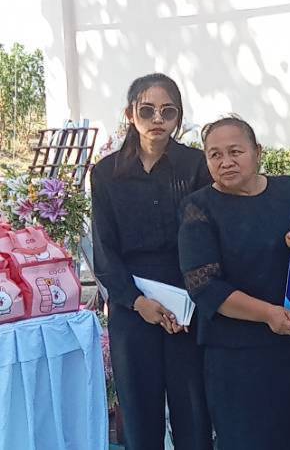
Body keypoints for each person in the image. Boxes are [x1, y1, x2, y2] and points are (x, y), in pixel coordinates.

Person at [177, 116, 290, 450]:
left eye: (235, 151)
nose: (225, 162)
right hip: (234, 355)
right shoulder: (198, 207)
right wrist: (268, 314)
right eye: (215, 155)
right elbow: (204, 286)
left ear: (257, 152)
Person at [90, 73, 213, 450]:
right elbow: (103, 248)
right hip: (131, 302)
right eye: (147, 110)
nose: (157, 119)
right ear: (130, 114)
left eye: (168, 111)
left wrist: (191, 300)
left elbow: (206, 235)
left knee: (193, 409)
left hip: (185, 302)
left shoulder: (196, 165)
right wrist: (136, 301)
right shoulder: (105, 173)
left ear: (178, 117)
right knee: (138, 411)